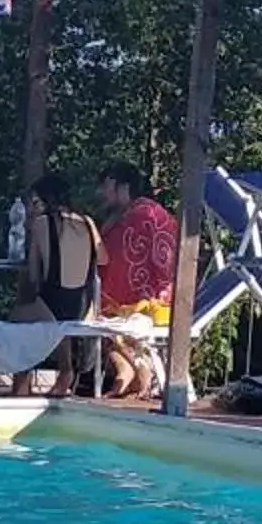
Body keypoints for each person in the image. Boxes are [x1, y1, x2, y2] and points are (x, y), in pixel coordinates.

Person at [11, 169, 101, 396]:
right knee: (59, 322)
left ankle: (22, 383)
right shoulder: (87, 222)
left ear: (44, 200)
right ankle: (65, 371)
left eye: (35, 201)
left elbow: (32, 275)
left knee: (17, 319)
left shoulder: (42, 224)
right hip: (83, 306)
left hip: (54, 304)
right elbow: (104, 257)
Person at [95, 162, 178, 399]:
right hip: (150, 299)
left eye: (106, 186)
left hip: (150, 302)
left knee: (105, 317)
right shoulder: (133, 214)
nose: (101, 192)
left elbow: (126, 264)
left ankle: (138, 374)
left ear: (123, 187)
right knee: (107, 317)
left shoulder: (140, 216)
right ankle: (126, 374)